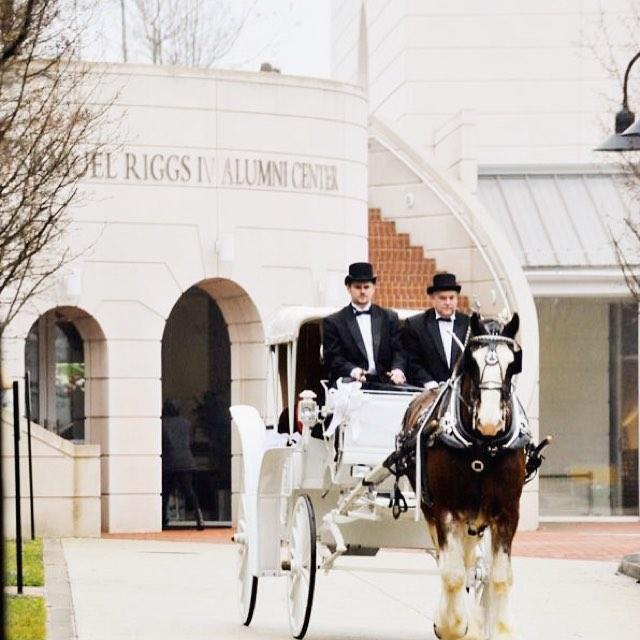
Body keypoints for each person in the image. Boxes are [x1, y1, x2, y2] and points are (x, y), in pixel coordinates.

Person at [323, 262, 406, 387]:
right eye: (357, 287)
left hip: (385, 384)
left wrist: (398, 369)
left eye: (366, 287)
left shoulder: (389, 317)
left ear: (373, 287)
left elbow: (399, 351)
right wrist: (353, 371)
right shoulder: (334, 321)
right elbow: (333, 359)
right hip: (350, 385)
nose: (362, 291)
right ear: (348, 288)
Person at [403, 272, 470, 389]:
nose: (448, 302)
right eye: (443, 298)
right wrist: (429, 382)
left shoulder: (468, 324)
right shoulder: (416, 325)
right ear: (433, 299)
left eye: (451, 298)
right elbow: (412, 361)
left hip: (461, 393)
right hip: (427, 392)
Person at [161, 399, 205, 530]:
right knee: (189, 491)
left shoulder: (162, 424)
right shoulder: (186, 423)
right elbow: (190, 441)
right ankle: (199, 518)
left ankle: (163, 520)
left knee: (165, 492)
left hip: (169, 463)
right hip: (186, 462)